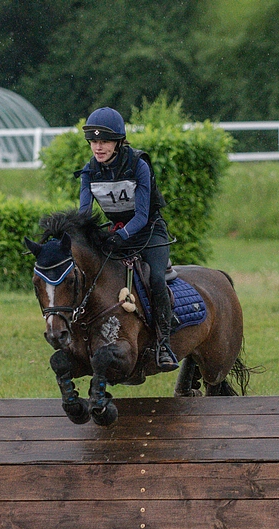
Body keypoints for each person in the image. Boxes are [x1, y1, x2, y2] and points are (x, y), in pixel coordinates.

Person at [76, 107, 178, 372]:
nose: (98, 147)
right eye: (94, 141)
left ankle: (164, 343)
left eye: (105, 141)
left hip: (149, 232)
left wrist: (120, 236)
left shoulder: (138, 165)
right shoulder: (89, 172)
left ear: (118, 142)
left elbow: (142, 216)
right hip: (117, 232)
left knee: (155, 277)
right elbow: (84, 214)